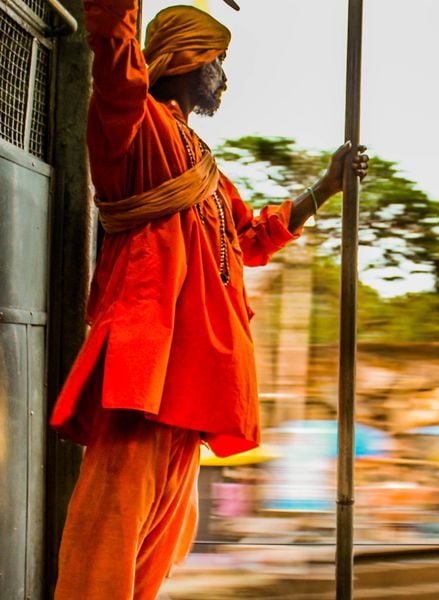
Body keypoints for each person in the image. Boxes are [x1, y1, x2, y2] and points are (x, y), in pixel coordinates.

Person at [49, 3, 368, 599]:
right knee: (111, 535)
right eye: (219, 62)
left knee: (161, 542)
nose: (225, 77)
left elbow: (249, 241)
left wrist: (324, 189)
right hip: (145, 371)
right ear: (189, 60)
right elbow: (113, 41)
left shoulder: (206, 169)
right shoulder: (133, 125)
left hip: (194, 379)